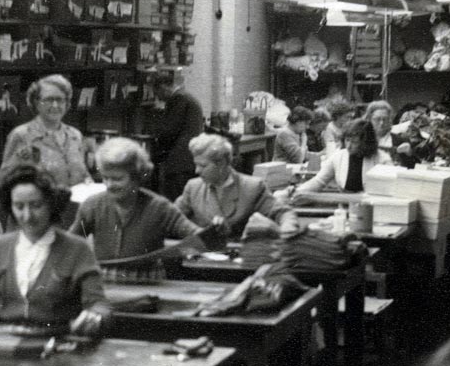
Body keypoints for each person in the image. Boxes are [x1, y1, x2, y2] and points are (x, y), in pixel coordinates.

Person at [0, 165, 107, 336]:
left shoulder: (77, 248)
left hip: (55, 342)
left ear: (51, 204)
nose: (27, 216)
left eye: (36, 205)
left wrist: (95, 318)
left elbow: (98, 304)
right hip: (4, 342)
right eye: (19, 206)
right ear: (9, 206)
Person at [71, 137, 201, 282]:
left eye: (117, 179)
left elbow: (199, 237)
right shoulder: (92, 205)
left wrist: (217, 230)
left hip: (147, 284)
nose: (109, 185)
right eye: (105, 178)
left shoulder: (159, 207)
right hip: (103, 284)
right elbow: (69, 244)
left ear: (136, 177)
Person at [176, 133, 299, 240]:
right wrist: (199, 232)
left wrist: (286, 231)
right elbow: (172, 219)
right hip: (200, 258)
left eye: (203, 166)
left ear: (222, 164)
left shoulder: (252, 187)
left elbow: (283, 213)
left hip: (240, 257)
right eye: (196, 165)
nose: (197, 171)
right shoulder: (193, 187)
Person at [0, 74, 91, 191]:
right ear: (36, 103)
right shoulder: (21, 135)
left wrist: (89, 184)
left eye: (60, 100)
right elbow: (7, 181)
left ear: (67, 103)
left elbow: (83, 174)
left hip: (74, 206)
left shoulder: (75, 135)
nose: (55, 105)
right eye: (48, 100)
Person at [286, 119, 391, 199]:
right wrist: (296, 191)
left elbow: (385, 192)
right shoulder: (338, 156)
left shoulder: (383, 160)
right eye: (347, 140)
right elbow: (319, 181)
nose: (349, 146)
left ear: (366, 143)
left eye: (354, 142)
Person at [152, 72, 204, 201]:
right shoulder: (188, 97)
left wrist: (156, 144)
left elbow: (169, 131)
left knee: (176, 201)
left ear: (163, 87)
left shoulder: (178, 99)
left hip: (178, 161)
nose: (158, 99)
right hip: (190, 158)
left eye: (157, 93)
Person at [364, 99, 417, 167]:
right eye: (377, 119)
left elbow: (413, 167)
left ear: (390, 120)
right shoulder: (362, 140)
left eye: (385, 119)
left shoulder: (401, 141)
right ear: (369, 119)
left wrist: (409, 153)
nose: (381, 123)